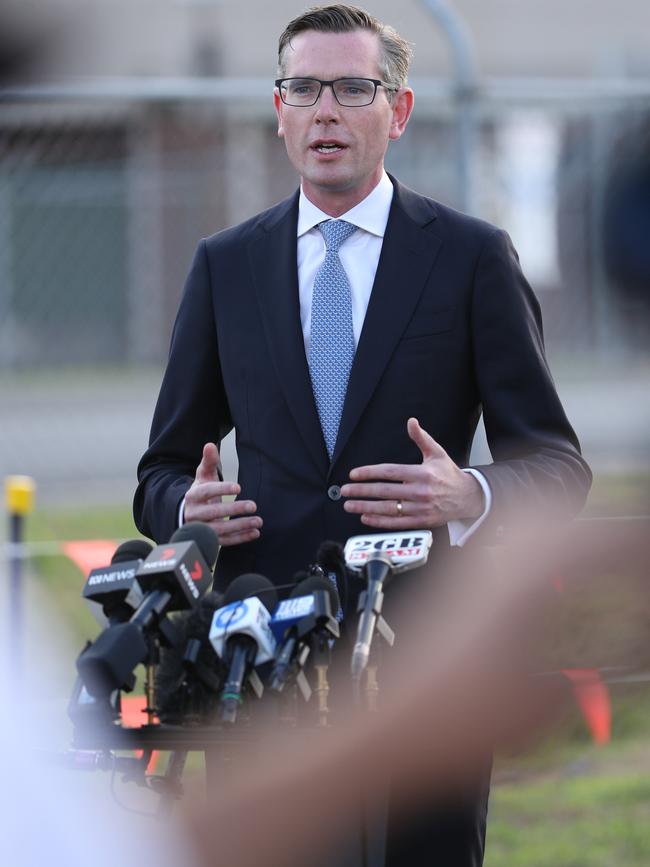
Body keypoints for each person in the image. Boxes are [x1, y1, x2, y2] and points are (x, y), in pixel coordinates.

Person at [134, 5, 592, 864]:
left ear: (400, 110)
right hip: (260, 664)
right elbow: (160, 469)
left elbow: (559, 467)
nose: (326, 111)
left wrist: (474, 493)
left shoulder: (470, 257)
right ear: (279, 110)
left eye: (353, 88)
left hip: (428, 667)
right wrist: (185, 508)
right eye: (303, 88)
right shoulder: (225, 266)